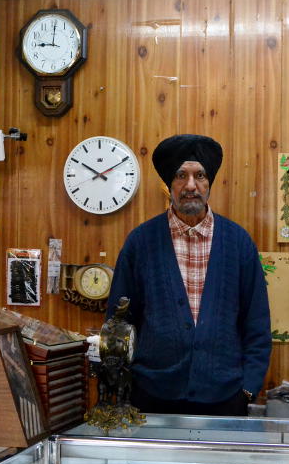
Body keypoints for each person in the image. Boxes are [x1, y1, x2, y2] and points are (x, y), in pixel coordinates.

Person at [105, 134, 272, 416]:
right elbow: (118, 321)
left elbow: (256, 323)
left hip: (225, 398)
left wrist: (248, 388)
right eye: (181, 175)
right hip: (152, 396)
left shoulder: (238, 242)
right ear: (169, 184)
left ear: (209, 183)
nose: (191, 185)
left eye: (200, 175)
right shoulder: (141, 242)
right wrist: (124, 383)